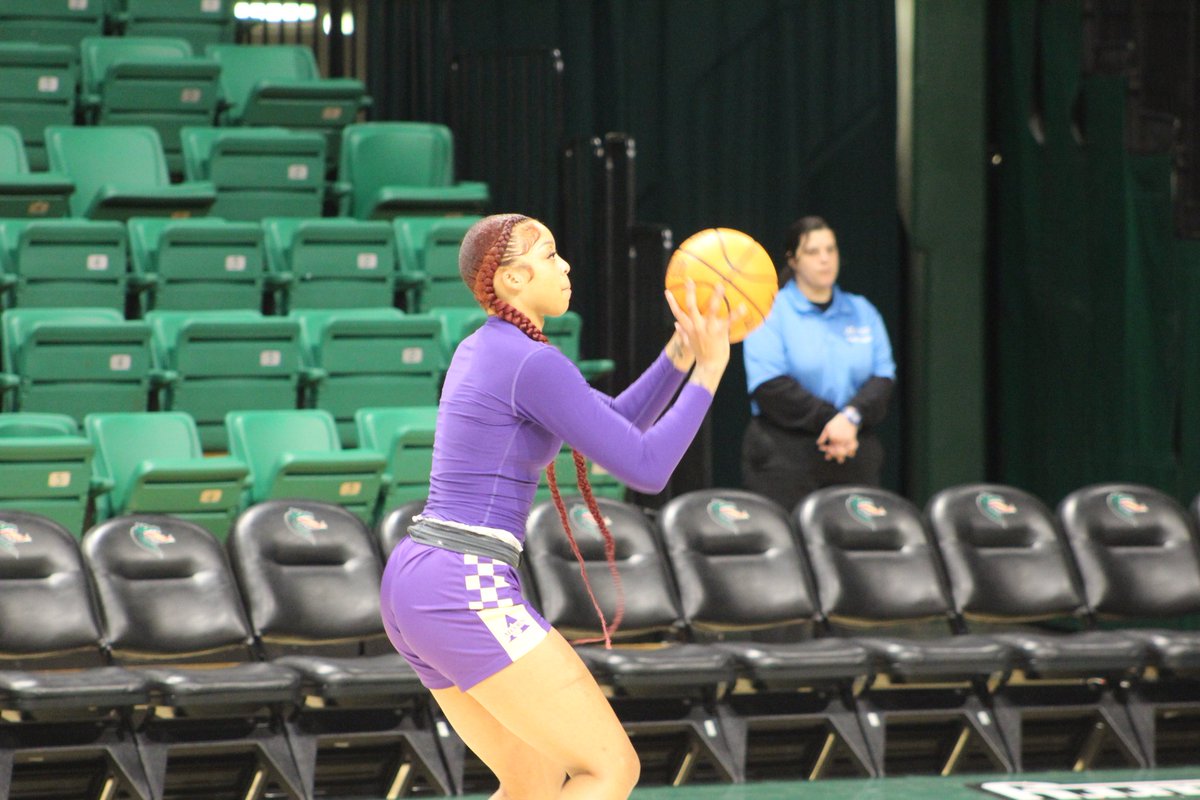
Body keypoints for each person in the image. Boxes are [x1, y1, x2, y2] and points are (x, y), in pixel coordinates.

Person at [379, 213, 736, 799]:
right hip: (462, 582)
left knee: (533, 781)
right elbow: (647, 468)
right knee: (608, 769)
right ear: (513, 279)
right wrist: (711, 370)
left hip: (417, 579)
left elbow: (615, 422)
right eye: (548, 255)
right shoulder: (530, 362)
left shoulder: (492, 348)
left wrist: (681, 353)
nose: (565, 265)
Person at [741, 215, 896, 513]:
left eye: (830, 249)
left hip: (851, 449)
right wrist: (833, 421)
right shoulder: (770, 311)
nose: (825, 259)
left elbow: (883, 379)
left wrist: (849, 418)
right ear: (793, 260)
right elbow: (770, 387)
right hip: (786, 455)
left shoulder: (862, 311)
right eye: (813, 252)